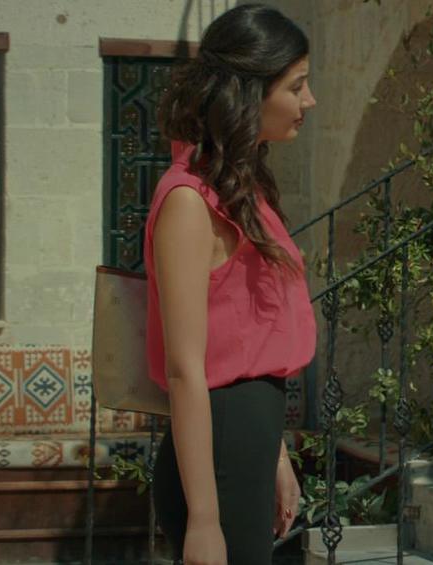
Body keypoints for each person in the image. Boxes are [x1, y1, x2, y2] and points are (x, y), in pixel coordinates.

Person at [144, 4, 317, 564]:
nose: (309, 101)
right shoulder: (189, 203)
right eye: (297, 86)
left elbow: (244, 345)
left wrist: (275, 456)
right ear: (251, 92)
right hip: (216, 462)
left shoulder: (240, 192)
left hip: (244, 449)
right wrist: (204, 520)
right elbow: (186, 370)